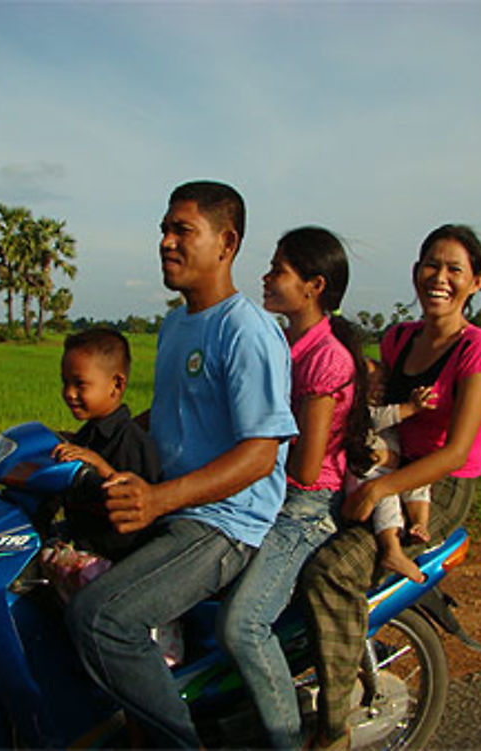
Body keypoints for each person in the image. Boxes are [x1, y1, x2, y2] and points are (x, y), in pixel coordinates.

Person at [65, 181, 299, 749]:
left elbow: (259, 453)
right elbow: (165, 415)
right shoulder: (176, 326)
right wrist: (91, 438)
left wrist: (159, 499)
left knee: (104, 616)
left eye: (182, 231)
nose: (166, 242)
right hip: (177, 505)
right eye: (164, 231)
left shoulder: (244, 329)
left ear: (226, 243)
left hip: (223, 521)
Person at [300, 223, 481, 748]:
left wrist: (377, 491)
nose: (439, 277)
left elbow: (457, 451)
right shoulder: (399, 337)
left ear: (475, 283)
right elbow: (377, 411)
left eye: (454, 269)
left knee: (331, 569)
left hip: (438, 485)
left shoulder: (476, 351)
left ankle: (334, 724)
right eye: (430, 265)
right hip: (389, 464)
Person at [216, 227, 373, 749]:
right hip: (268, 493)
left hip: (304, 507)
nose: (266, 275)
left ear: (314, 286)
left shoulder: (325, 358)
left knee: (242, 626)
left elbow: (306, 468)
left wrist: (235, 472)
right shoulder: (282, 342)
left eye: (279, 268)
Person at [48, 327, 163, 562]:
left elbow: (140, 506)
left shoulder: (132, 442)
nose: (69, 393)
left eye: (80, 384)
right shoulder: (83, 437)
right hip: (79, 542)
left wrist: (100, 466)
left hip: (115, 559)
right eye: (65, 383)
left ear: (117, 385)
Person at [354, 362, 438, 583]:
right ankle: (391, 549)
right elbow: (376, 418)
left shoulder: (390, 417)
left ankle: (419, 523)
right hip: (368, 478)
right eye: (370, 382)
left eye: (382, 382)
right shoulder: (359, 413)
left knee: (418, 480)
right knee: (384, 492)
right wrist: (411, 407)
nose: (377, 387)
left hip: (389, 472)